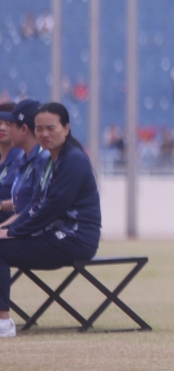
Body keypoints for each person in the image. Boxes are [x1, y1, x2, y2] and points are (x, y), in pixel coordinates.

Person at [0, 103, 101, 338]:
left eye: (51, 128)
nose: (44, 134)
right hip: (55, 235)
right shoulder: (48, 161)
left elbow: (52, 208)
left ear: (66, 129)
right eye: (39, 129)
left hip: (75, 238)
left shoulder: (74, 159)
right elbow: (34, 205)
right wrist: (7, 228)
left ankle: (3, 323)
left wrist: (14, 232)